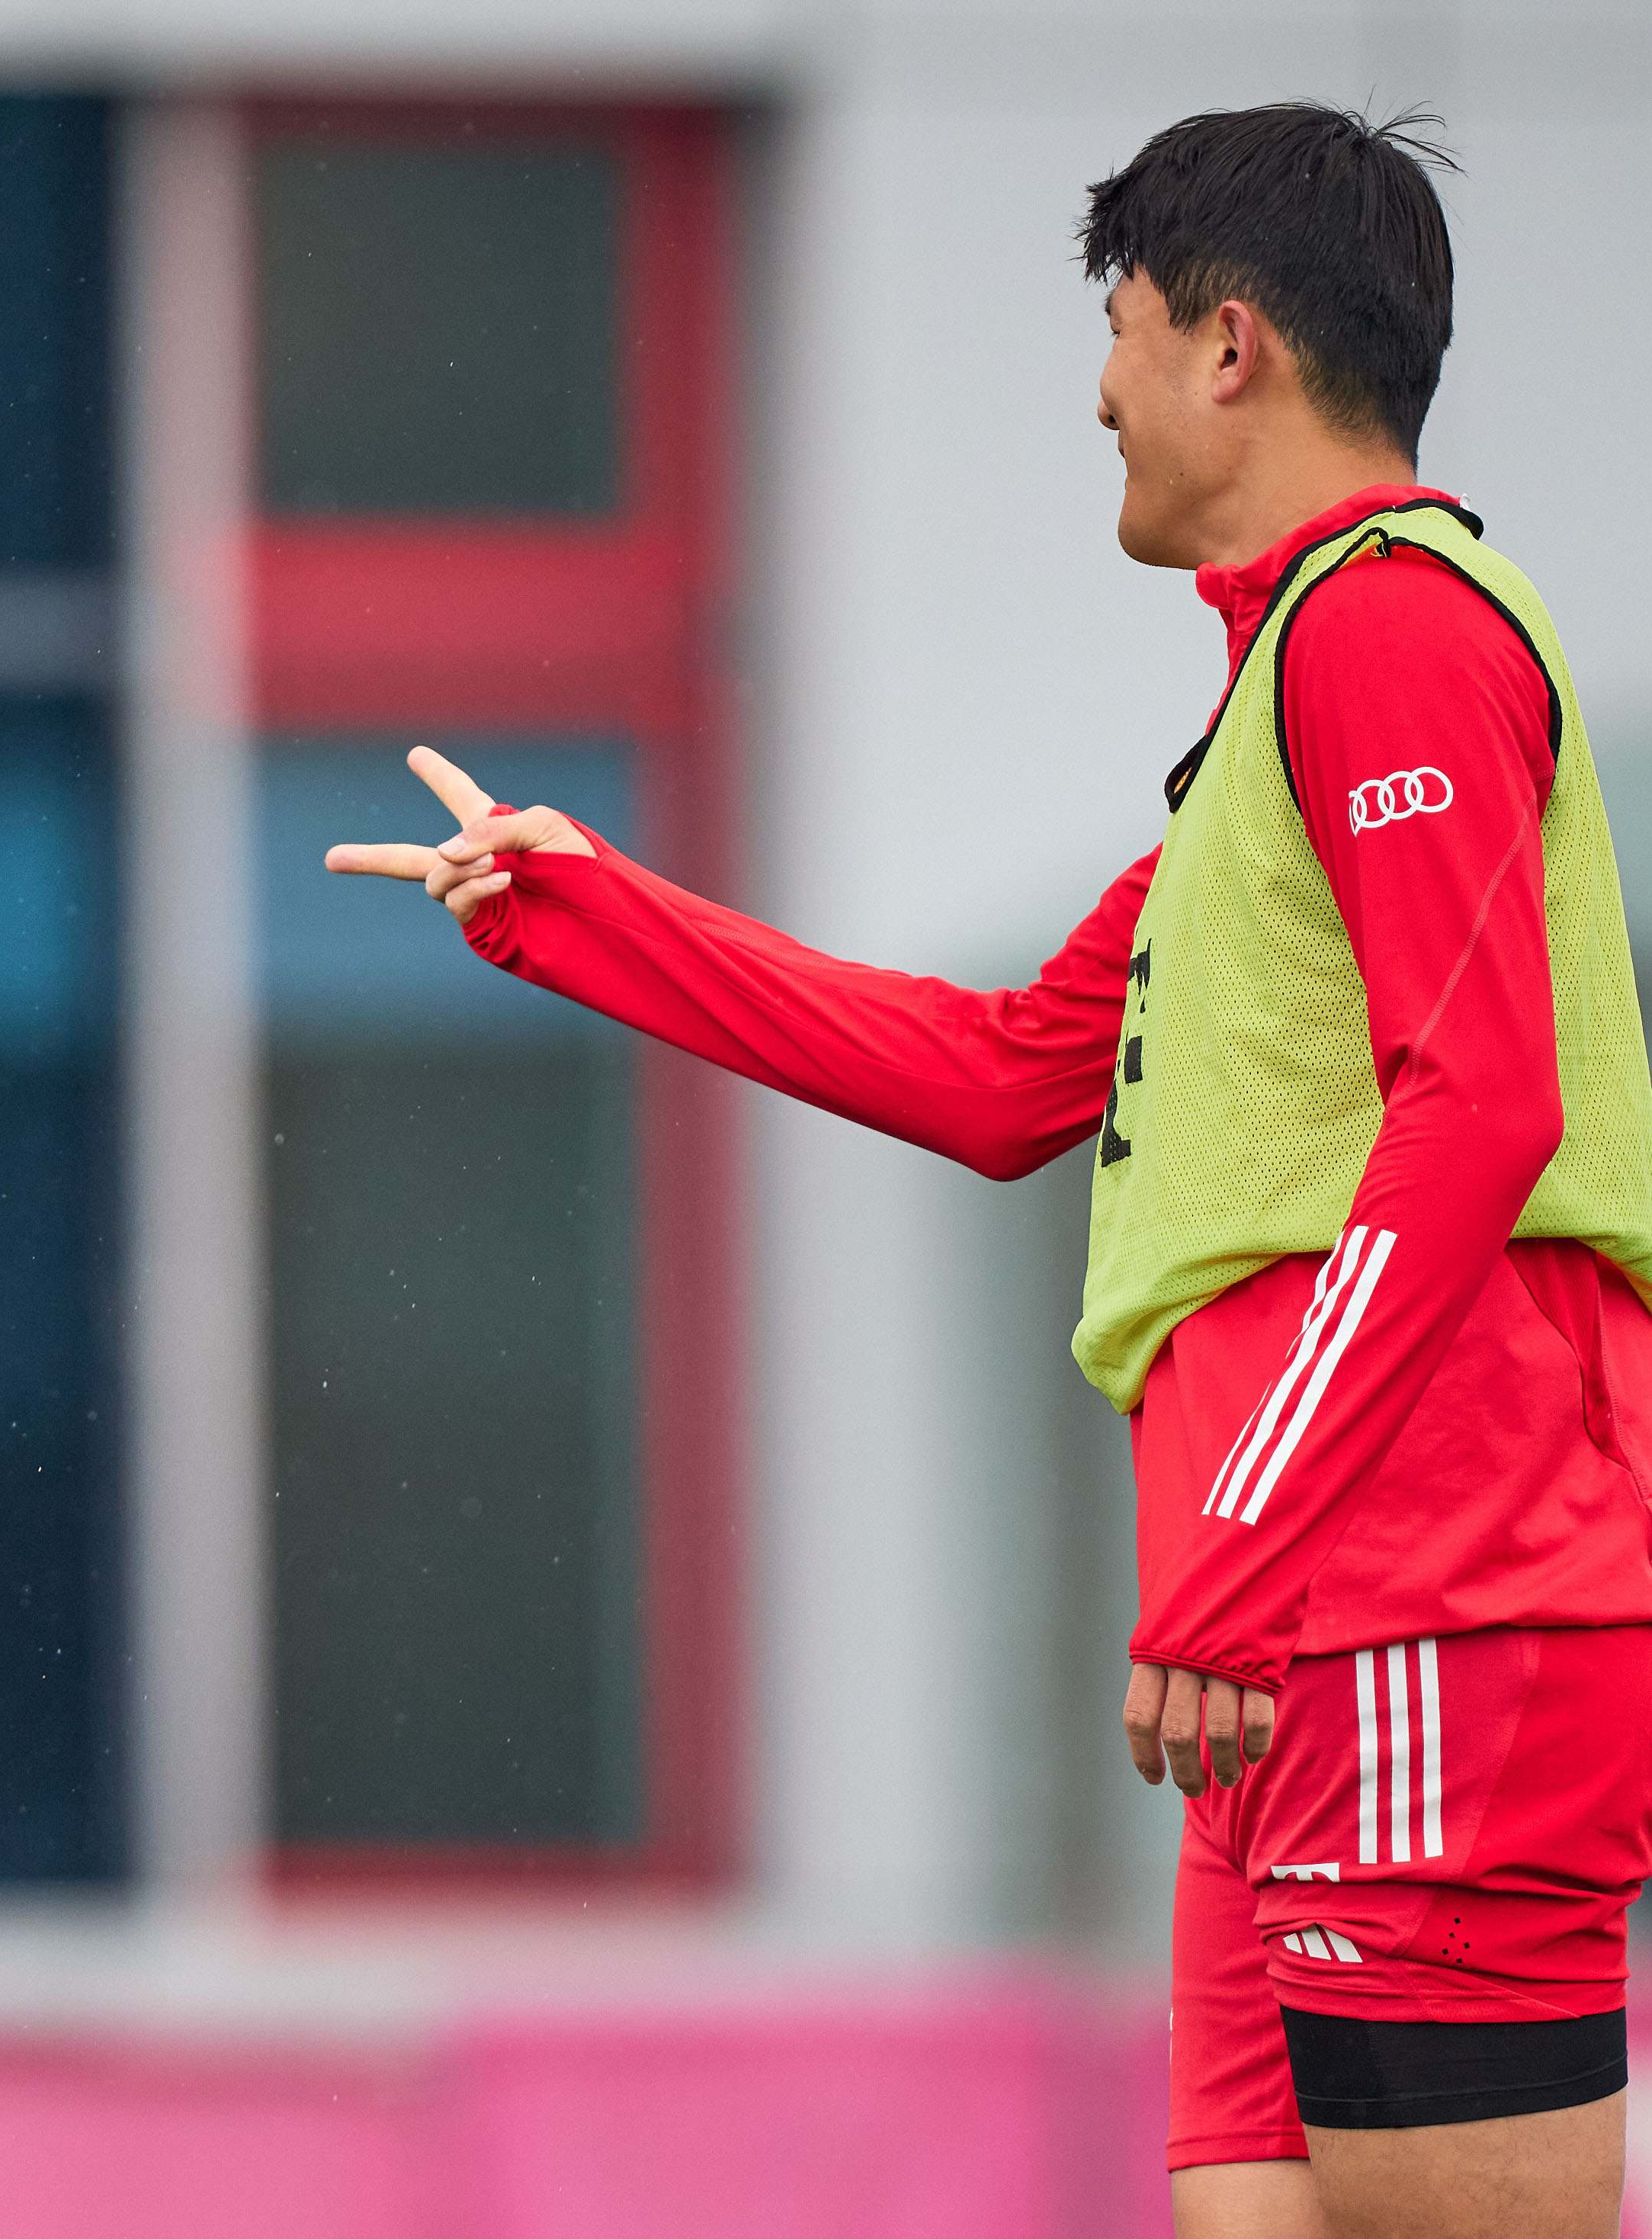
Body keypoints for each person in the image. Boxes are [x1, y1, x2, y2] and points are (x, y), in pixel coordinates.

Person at [331, 105, 1650, 2239]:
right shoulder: (1265, 716)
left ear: (1229, 347)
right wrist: (577, 913)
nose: (1095, 391)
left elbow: (1476, 1112)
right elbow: (996, 1076)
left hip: (1425, 1601)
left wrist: (1228, 1555)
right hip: (1284, 1643)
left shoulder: (1388, 629)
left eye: (1117, 330)